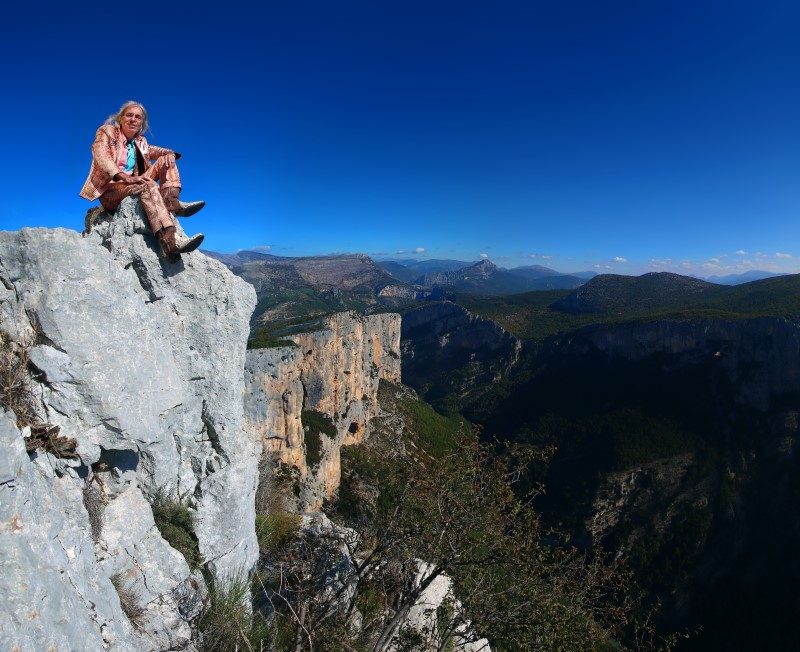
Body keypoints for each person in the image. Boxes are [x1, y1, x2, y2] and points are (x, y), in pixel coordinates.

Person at [80, 101, 205, 257]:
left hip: (132, 184)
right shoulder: (107, 132)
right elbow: (101, 156)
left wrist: (171, 154)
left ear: (141, 123)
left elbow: (157, 151)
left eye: (138, 117)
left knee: (165, 160)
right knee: (148, 185)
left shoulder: (141, 142)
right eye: (129, 115)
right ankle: (171, 242)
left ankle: (172, 204)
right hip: (111, 190)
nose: (133, 119)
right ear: (120, 118)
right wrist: (124, 176)